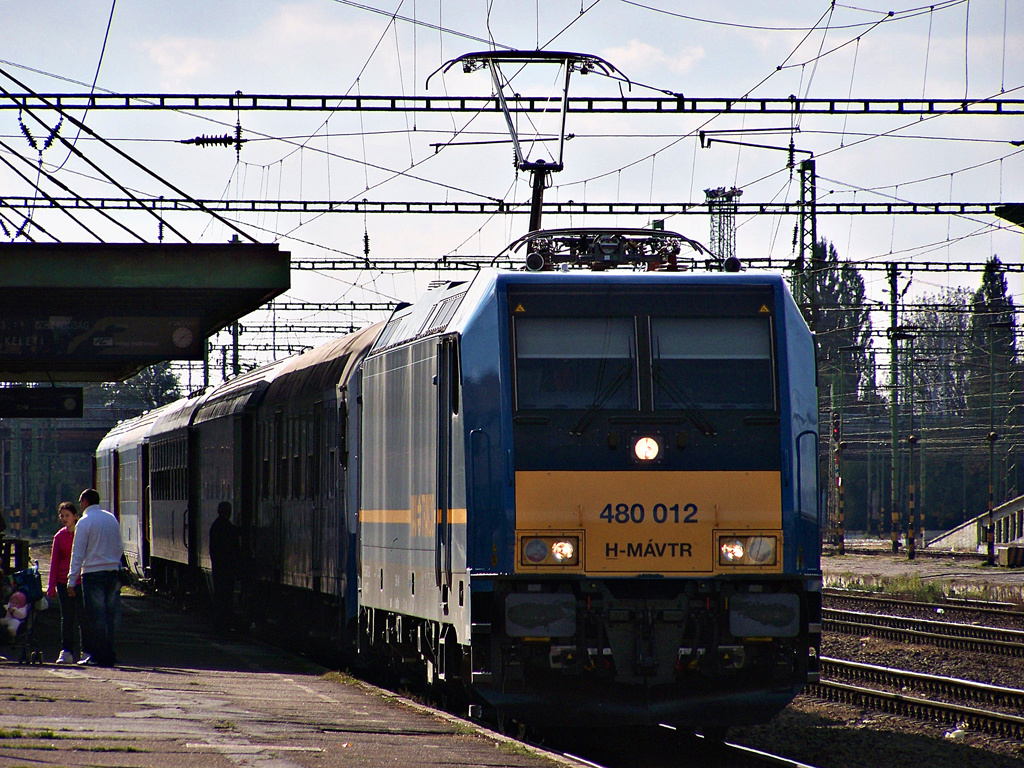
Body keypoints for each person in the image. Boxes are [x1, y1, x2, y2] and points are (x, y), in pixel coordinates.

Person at [67, 489, 123, 667]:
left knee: (96, 616)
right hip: (112, 572)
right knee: (110, 615)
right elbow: (120, 546)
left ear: (84, 502)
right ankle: (109, 653)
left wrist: (71, 579)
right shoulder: (111, 519)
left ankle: (98, 655)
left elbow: (78, 553)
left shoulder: (84, 522)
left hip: (92, 573)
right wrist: (114, 563)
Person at [46, 501, 84, 664]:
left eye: (67, 515)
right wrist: (51, 586)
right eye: (62, 516)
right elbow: (54, 562)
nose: (64, 518)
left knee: (83, 617)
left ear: (75, 516)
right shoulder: (59, 537)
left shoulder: (82, 535)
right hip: (63, 581)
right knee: (67, 618)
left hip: (81, 581)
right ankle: (66, 650)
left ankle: (85, 650)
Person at [209, 501, 241, 633]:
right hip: (227, 568)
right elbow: (234, 547)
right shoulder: (227, 527)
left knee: (220, 596)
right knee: (226, 596)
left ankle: (220, 623)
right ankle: (224, 624)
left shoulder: (216, 526)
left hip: (218, 567)